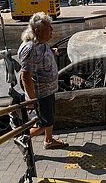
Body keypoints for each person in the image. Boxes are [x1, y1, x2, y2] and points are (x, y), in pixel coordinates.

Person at [18, 12, 69, 149]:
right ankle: (22, 138)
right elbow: (26, 77)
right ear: (37, 31)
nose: (52, 31)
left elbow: (38, 60)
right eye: (48, 29)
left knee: (49, 119)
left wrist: (50, 51)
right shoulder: (30, 49)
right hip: (41, 94)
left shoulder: (40, 43)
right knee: (44, 123)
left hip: (48, 90)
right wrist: (33, 101)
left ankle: (49, 140)